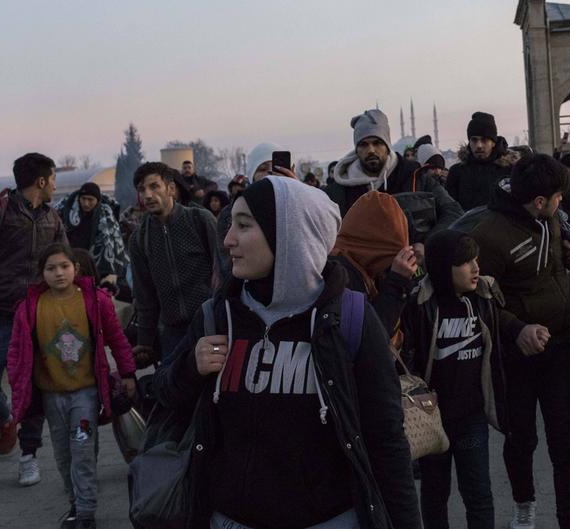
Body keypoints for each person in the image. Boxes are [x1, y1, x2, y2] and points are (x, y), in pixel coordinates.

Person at [153, 176, 421, 529]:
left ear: (290, 235)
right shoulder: (218, 315)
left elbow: (387, 442)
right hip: (229, 520)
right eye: (231, 224)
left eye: (244, 226)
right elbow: (161, 396)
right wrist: (190, 368)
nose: (228, 239)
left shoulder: (350, 319)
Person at [470, 154, 570, 529]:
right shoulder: (490, 235)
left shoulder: (550, 218)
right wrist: (517, 328)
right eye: (557, 198)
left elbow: (551, 269)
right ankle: (524, 505)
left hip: (561, 347)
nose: (561, 203)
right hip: (516, 357)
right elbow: (479, 300)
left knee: (566, 442)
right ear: (538, 200)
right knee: (521, 439)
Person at [7, 243, 137, 529]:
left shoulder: (95, 300)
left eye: (64, 266)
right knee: (63, 455)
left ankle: (86, 512)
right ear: (41, 273)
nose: (59, 273)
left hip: (85, 394)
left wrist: (127, 372)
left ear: (75, 269)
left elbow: (117, 338)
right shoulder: (30, 307)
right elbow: (17, 351)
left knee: (81, 448)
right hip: (52, 396)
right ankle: (75, 504)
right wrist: (19, 388)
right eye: (51, 268)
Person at [401, 230, 512, 529]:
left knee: (478, 494)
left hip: (471, 417)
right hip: (430, 417)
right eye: (466, 262)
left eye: (476, 260)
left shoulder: (484, 299)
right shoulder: (420, 303)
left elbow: (506, 330)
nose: (476, 268)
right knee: (435, 496)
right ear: (442, 267)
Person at [0, 153, 67, 486]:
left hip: (37, 317)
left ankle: (28, 457)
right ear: (41, 181)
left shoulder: (54, 219)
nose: (54, 184)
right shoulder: (0, 210)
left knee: (33, 389)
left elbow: (65, 261)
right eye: (52, 178)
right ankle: (5, 417)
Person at [128, 162, 219, 367]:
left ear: (170, 189)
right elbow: (145, 297)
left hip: (211, 327)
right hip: (172, 335)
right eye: (142, 190)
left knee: (217, 389)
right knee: (177, 393)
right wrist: (145, 344)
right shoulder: (139, 239)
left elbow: (226, 272)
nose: (148, 195)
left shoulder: (200, 220)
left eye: (154, 187)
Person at [326, 109, 462, 233]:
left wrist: (427, 246)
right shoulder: (340, 192)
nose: (371, 150)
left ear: (387, 145)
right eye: (364, 144)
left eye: (377, 143)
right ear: (356, 149)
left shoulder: (414, 176)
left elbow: (452, 211)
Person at [329, 191, 417, 339]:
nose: (389, 264)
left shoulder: (355, 264)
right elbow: (370, 338)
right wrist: (397, 283)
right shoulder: (341, 276)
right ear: (377, 248)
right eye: (390, 257)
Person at [216, 142, 298, 282]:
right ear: (251, 176)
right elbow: (227, 262)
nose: (270, 173)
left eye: (277, 167)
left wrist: (297, 191)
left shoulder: (301, 206)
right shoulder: (231, 213)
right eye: (263, 168)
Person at [56, 182, 129, 285]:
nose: (86, 203)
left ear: (97, 200)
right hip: (70, 261)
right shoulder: (67, 212)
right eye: (83, 199)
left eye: (90, 200)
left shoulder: (106, 216)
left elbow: (112, 243)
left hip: (94, 265)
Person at [446, 112, 513, 210]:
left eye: (484, 140)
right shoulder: (457, 172)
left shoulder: (509, 171)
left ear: (493, 143)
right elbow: (450, 210)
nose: (479, 145)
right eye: (474, 140)